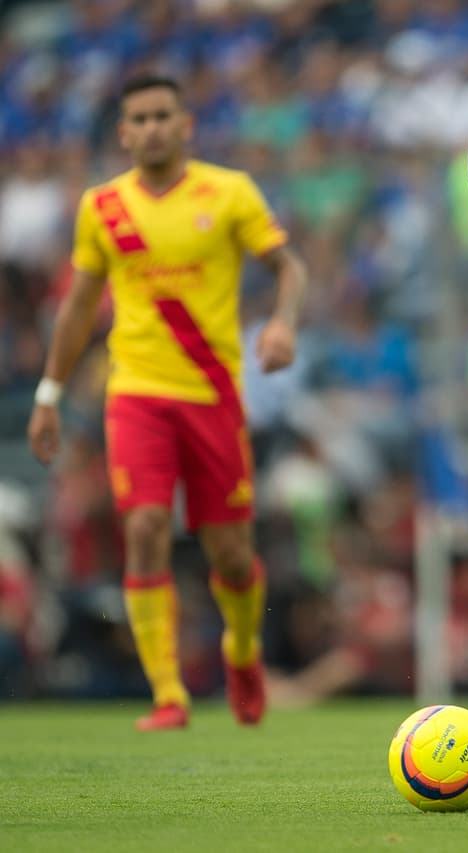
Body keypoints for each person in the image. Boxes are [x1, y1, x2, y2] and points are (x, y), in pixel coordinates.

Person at [27, 73, 307, 731]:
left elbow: (288, 267)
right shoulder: (103, 207)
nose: (152, 127)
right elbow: (76, 307)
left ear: (186, 125)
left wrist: (282, 322)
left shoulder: (229, 192)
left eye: (162, 116)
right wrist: (48, 392)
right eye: (139, 119)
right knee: (146, 527)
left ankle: (241, 650)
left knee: (230, 553)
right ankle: (168, 693)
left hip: (212, 397)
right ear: (123, 132)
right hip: (137, 394)